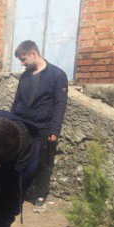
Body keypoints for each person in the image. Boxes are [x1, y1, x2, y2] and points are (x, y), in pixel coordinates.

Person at [10, 41, 68, 212]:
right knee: (19, 159)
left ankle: (41, 195)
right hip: (23, 124)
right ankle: (19, 192)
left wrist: (55, 130)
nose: (22, 63)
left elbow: (60, 104)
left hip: (43, 126)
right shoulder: (25, 76)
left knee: (44, 161)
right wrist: (12, 121)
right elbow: (17, 100)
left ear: (33, 53)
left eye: (23, 59)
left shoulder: (57, 75)